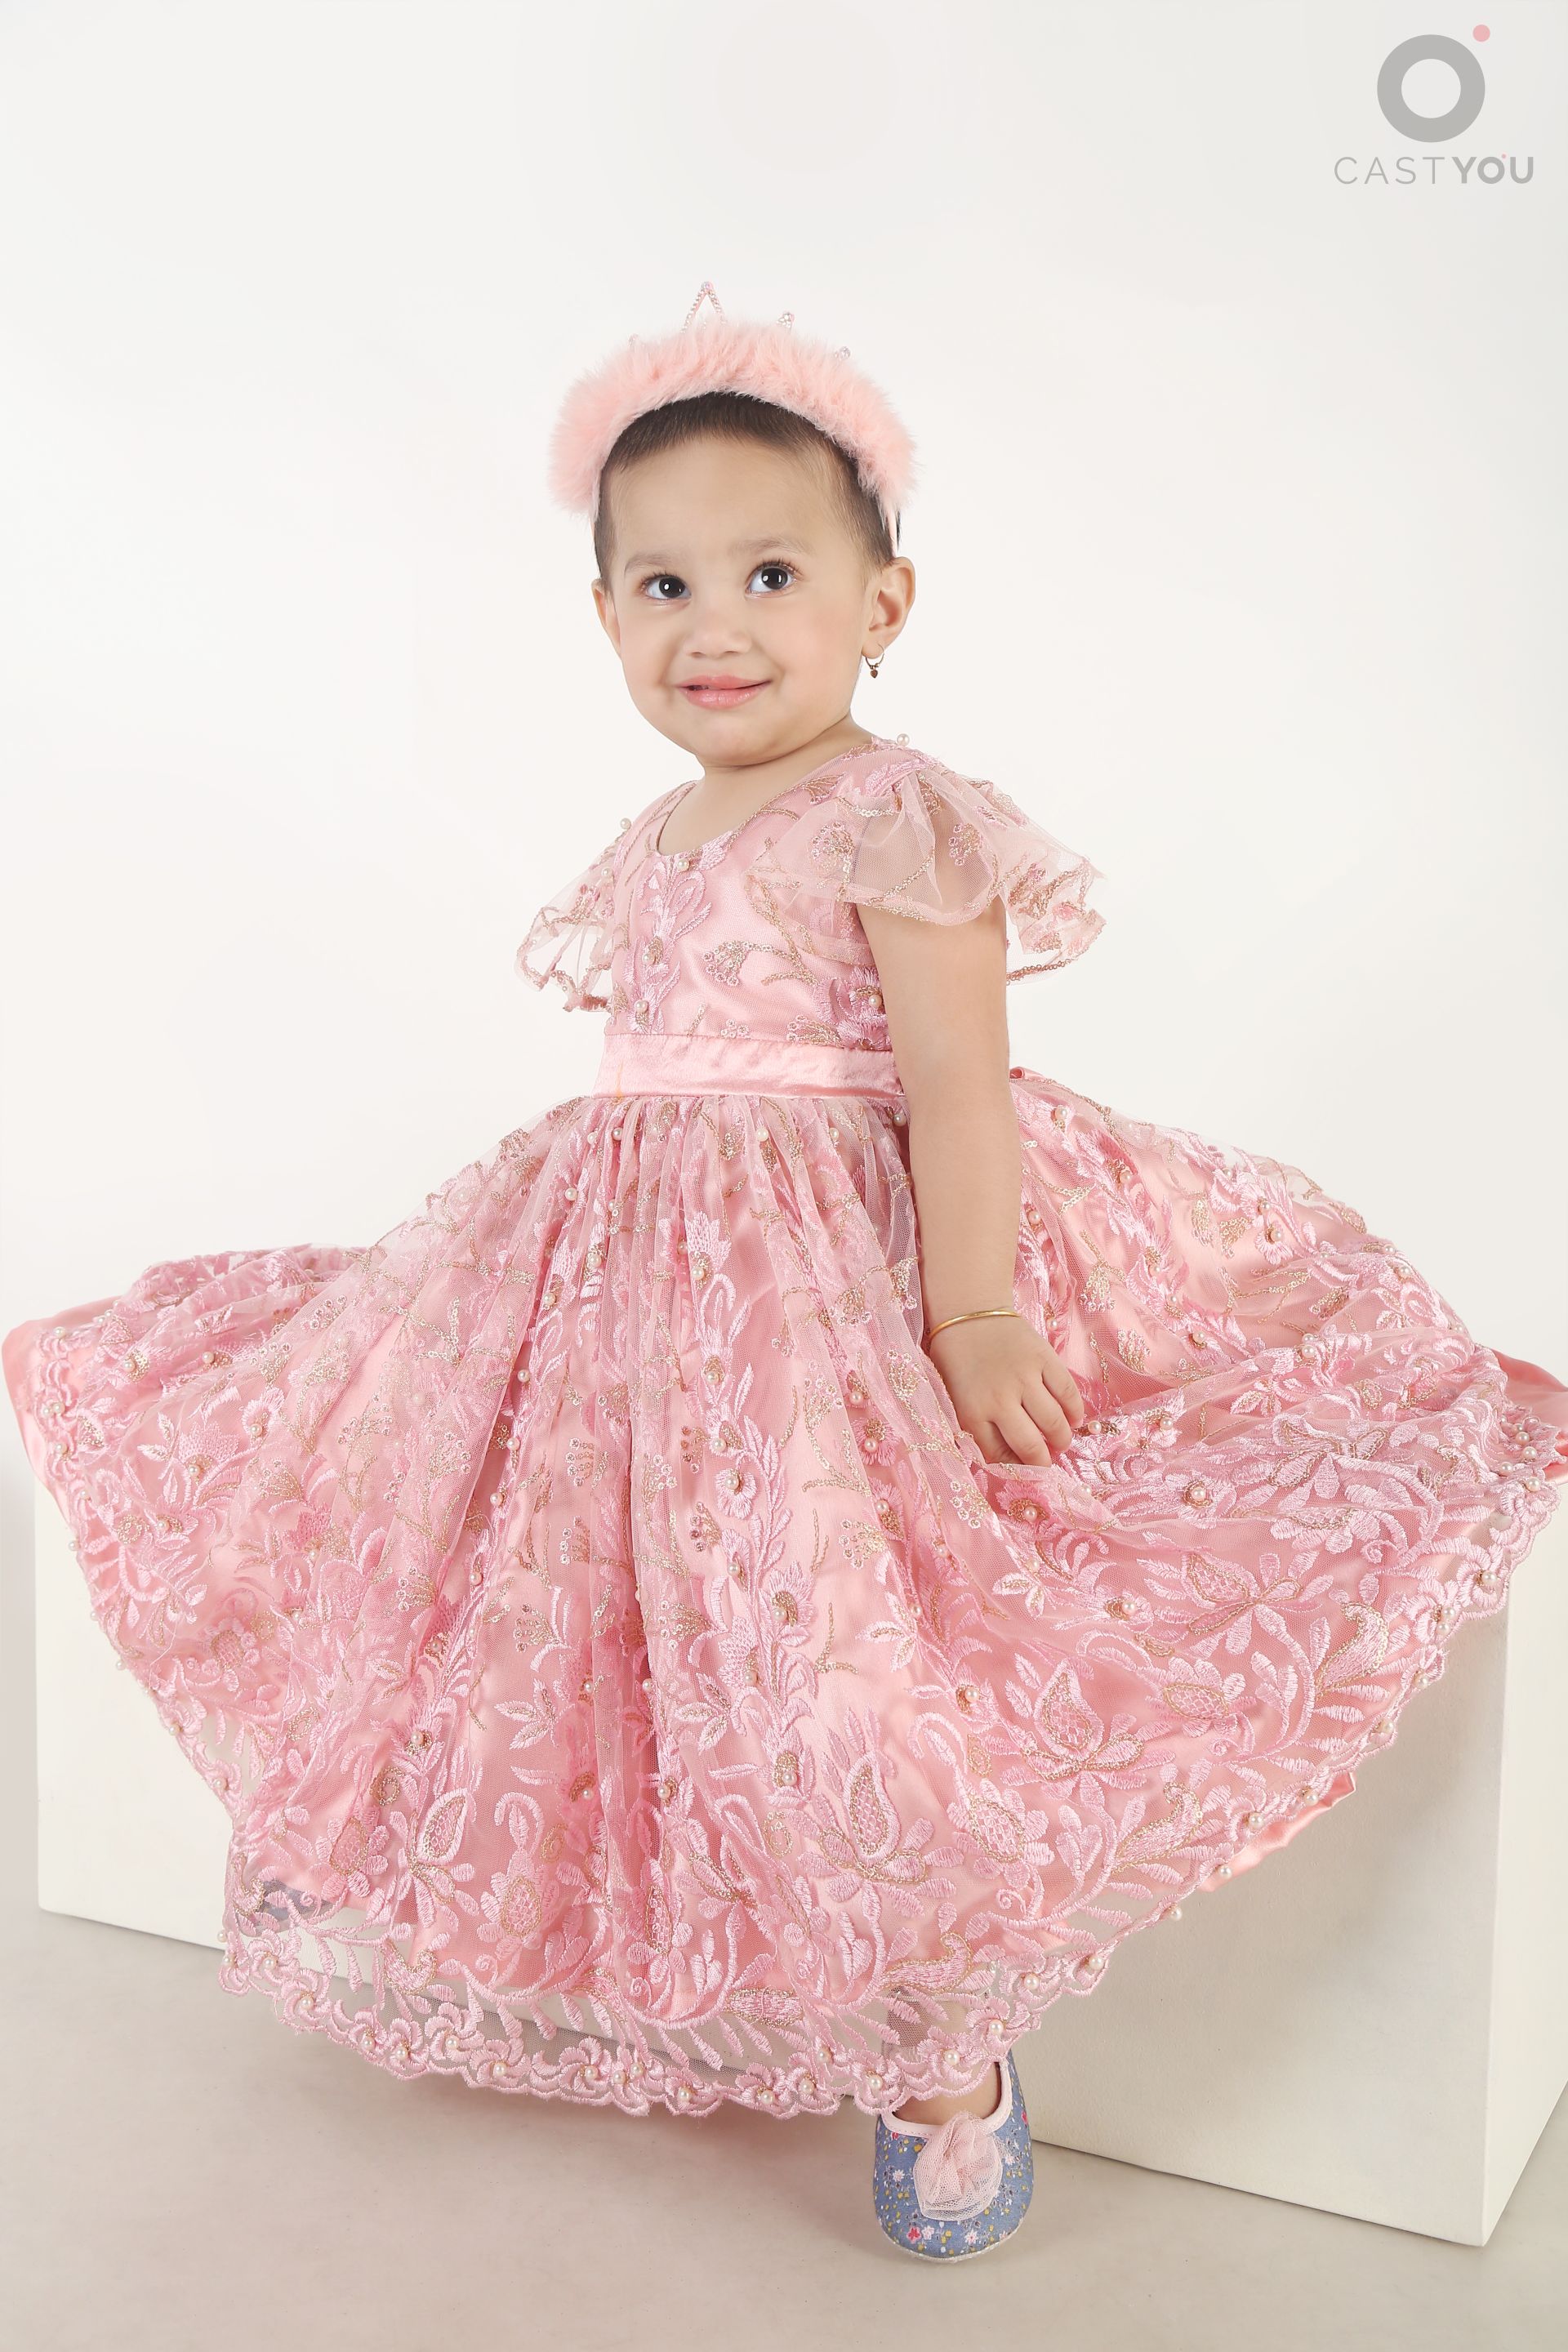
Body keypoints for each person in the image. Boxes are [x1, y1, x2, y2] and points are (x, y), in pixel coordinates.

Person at [7, 281, 1566, 2265]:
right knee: (542, 1557)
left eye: (768, 574)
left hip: (824, 1272)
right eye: (661, 587)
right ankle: (529, 1894)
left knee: (844, 1636)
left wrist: (973, 1308)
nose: (714, 626)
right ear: (603, 619)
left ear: (881, 602)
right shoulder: (663, 831)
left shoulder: (897, 814)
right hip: (621, 1267)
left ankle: (946, 2030)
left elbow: (958, 1084)